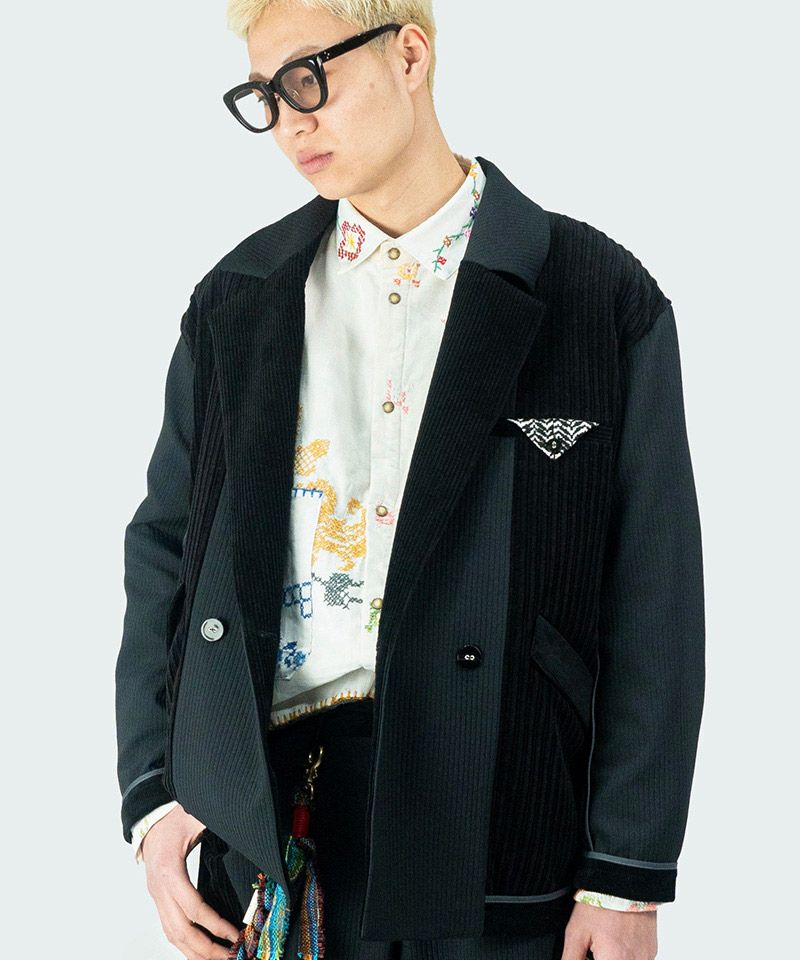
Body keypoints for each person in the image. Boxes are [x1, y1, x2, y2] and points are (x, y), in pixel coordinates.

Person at [115, 2, 705, 959]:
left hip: (505, 840)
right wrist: (156, 796)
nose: (290, 120)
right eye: (265, 96)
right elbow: (165, 549)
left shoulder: (597, 296)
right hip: (271, 853)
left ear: (410, 54)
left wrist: (626, 877)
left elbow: (655, 597)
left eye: (307, 77)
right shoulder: (237, 299)